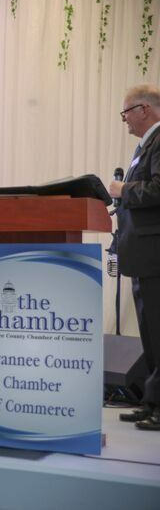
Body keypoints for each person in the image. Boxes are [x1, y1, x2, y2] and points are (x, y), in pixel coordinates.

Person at [109, 84, 160, 430]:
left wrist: (122, 190)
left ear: (144, 110)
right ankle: (152, 400)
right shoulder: (145, 147)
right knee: (150, 333)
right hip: (143, 256)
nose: (124, 119)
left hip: (155, 255)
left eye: (126, 112)